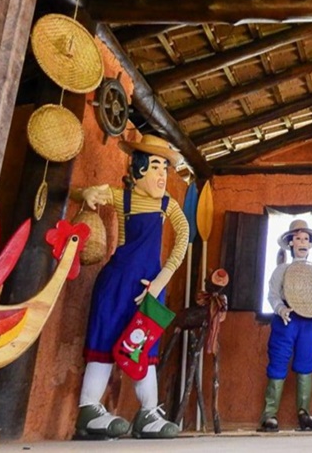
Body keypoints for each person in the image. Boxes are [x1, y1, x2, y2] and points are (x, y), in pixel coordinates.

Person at [73, 134, 189, 439]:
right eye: (154, 166)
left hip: (150, 286)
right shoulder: (120, 196)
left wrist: (160, 281)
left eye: (165, 167)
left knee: (143, 345)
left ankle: (148, 413)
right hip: (116, 283)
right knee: (104, 342)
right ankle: (88, 409)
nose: (162, 174)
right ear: (137, 169)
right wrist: (87, 194)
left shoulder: (168, 205)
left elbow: (183, 238)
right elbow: (80, 193)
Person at [258, 220, 312, 432]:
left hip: (307, 323)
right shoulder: (282, 270)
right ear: (290, 243)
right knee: (278, 361)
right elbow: (272, 294)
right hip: (286, 320)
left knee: (306, 362)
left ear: (310, 244)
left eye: (306, 238)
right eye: (298, 238)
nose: (302, 242)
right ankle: (269, 415)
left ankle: (304, 414)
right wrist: (280, 309)